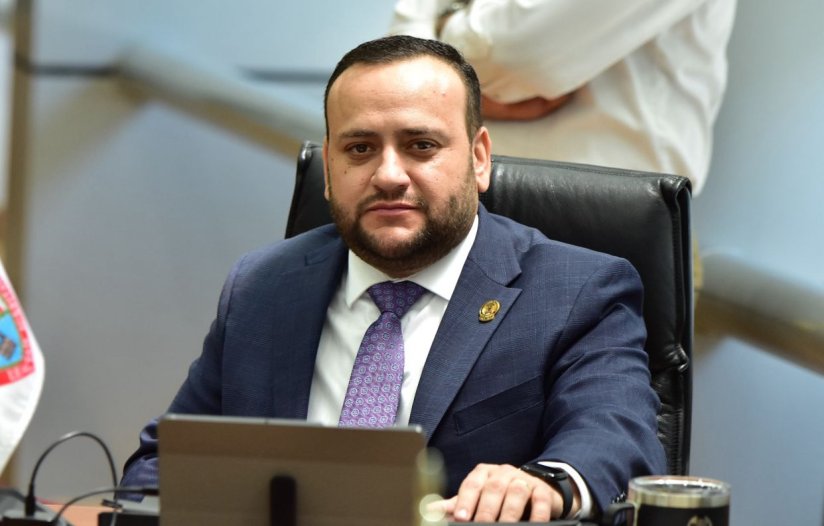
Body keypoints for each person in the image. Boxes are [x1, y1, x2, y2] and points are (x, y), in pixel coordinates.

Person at [121, 35, 665, 522]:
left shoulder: (576, 290)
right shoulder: (263, 286)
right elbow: (165, 464)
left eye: (420, 145)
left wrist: (545, 482)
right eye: (359, 149)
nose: (387, 175)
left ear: (479, 159)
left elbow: (616, 439)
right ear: (329, 169)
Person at [389, 0, 737, 196]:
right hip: (458, 211)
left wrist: (435, 68)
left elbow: (518, 52)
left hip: (597, 229)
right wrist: (442, 81)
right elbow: (401, 55)